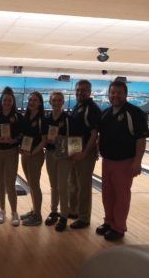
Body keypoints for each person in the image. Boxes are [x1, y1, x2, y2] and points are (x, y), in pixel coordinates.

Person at [97, 80, 149, 241]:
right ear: (109, 94)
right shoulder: (106, 113)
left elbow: (141, 139)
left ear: (126, 94)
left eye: (119, 92)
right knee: (107, 195)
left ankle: (119, 227)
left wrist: (137, 162)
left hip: (124, 162)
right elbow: (100, 135)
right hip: (107, 161)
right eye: (113, 92)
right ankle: (109, 222)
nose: (115, 95)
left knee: (121, 196)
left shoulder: (134, 113)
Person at [68, 80, 101, 229]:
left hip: (85, 151)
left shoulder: (92, 108)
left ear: (90, 92)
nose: (80, 92)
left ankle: (84, 217)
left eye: (84, 90)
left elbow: (94, 134)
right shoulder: (78, 106)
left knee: (83, 186)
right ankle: (74, 211)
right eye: (78, 90)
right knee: (73, 183)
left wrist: (85, 153)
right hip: (74, 148)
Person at [0, 87, 23, 226]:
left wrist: (14, 140)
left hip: (12, 151)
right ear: (1, 101)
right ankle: (2, 210)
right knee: (0, 182)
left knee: (10, 183)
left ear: (13, 101)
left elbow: (21, 134)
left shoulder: (18, 117)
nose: (7, 102)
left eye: (9, 100)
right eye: (5, 100)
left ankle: (14, 212)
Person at [44, 91, 72, 232]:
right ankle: (54, 211)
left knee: (62, 187)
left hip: (63, 156)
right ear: (50, 101)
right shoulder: (47, 118)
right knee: (54, 185)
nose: (56, 102)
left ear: (63, 102)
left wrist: (58, 141)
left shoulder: (67, 118)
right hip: (49, 154)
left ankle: (64, 216)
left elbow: (73, 140)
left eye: (59, 100)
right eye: (54, 100)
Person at [19, 91, 47, 226]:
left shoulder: (42, 119)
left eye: (35, 100)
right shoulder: (26, 117)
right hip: (25, 154)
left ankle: (38, 215)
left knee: (34, 185)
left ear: (40, 103)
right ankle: (34, 210)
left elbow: (44, 141)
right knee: (30, 183)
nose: (31, 102)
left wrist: (33, 152)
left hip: (35, 155)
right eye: (30, 100)